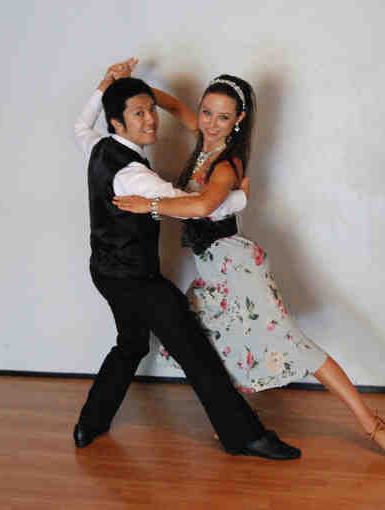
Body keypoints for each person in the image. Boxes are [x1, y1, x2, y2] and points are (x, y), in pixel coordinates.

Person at [113, 72, 385, 464]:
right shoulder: (203, 137)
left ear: (238, 120)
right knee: (207, 342)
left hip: (236, 269)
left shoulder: (227, 165)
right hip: (213, 273)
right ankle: (234, 420)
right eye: (206, 112)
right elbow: (171, 105)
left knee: (296, 346)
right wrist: (130, 87)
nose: (211, 123)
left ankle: (373, 425)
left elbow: (202, 207)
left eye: (223, 117)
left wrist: (148, 205)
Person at [71, 59, 301, 460]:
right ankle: (244, 436)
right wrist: (241, 198)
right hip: (137, 280)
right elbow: (198, 207)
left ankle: (90, 423)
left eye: (151, 110)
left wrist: (105, 84)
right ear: (117, 123)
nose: (151, 120)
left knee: (131, 344)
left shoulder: (98, 146)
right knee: (196, 353)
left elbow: (80, 126)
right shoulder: (135, 177)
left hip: (105, 272)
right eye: (138, 114)